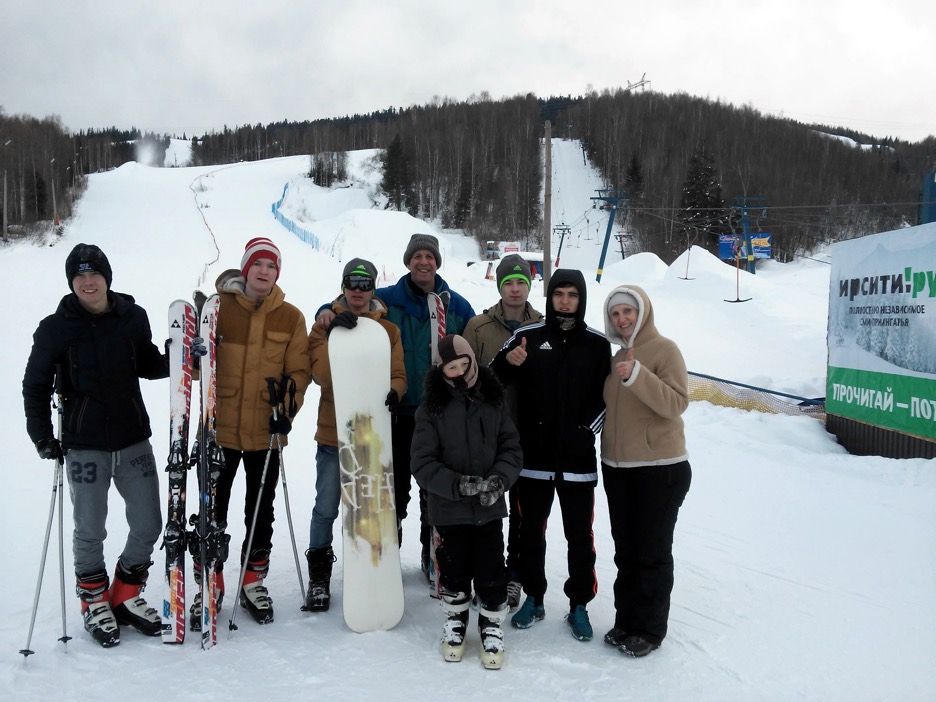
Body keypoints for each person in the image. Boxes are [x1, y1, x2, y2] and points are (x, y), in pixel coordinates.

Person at [23, 243, 168, 648]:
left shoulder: (132, 317)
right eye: (80, 276)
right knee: (90, 528)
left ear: (107, 277)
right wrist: (41, 435)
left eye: (95, 274)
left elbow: (148, 363)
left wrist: (181, 356)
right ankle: (93, 600)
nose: (88, 282)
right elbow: (34, 385)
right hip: (84, 443)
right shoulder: (55, 328)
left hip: (133, 438)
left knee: (148, 523)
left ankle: (123, 594)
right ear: (72, 282)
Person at [316, 233, 475, 578]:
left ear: (437, 263)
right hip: (396, 414)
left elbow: (472, 345)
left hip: (438, 412)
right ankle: (389, 553)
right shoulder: (388, 298)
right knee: (395, 488)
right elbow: (352, 301)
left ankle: (432, 553)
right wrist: (326, 311)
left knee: (434, 488)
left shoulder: (456, 305)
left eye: (429, 256)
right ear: (408, 262)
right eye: (417, 256)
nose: (423, 262)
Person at [192, 237, 311, 628]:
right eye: (257, 265)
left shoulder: (290, 317)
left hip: (266, 430)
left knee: (260, 512)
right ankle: (210, 580)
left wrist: (286, 412)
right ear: (245, 269)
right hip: (219, 428)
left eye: (271, 266)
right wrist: (188, 350)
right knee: (214, 509)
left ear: (278, 273)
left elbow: (299, 372)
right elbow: (196, 371)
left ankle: (252, 580)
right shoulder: (218, 309)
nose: (264, 272)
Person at [490, 268, 610, 642]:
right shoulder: (526, 337)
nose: (565, 301)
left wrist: (584, 431)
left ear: (581, 299)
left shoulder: (597, 344)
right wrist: (508, 365)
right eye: (559, 294)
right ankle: (534, 597)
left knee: (580, 535)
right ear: (549, 297)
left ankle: (579, 605)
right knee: (530, 535)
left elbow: (606, 398)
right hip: (534, 458)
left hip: (577, 461)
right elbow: (492, 381)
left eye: (572, 295)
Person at [411, 335, 522, 668]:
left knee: (491, 571)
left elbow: (511, 449)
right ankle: (455, 622)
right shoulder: (430, 408)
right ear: (441, 370)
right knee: (454, 569)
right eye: (451, 368)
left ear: (473, 361)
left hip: (489, 510)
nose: (459, 373)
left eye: (463, 365)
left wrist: (499, 481)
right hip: (450, 509)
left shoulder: (493, 401)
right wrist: (458, 485)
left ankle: (490, 625)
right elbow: (422, 462)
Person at [305, 258, 407, 612]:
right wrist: (335, 333)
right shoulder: (322, 327)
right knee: (326, 506)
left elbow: (399, 374)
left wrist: (395, 390)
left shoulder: (388, 331)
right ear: (344, 285)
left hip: (372, 435)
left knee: (370, 505)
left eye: (365, 284)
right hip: (334, 435)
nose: (358, 291)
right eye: (353, 283)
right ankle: (319, 575)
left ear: (373, 289)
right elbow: (320, 374)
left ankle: (372, 569)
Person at [600, 285, 691, 658]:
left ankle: (650, 630)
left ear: (643, 313)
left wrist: (637, 374)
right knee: (626, 552)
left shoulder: (664, 350)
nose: (622, 319)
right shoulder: (617, 355)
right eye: (616, 314)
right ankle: (627, 621)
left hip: (659, 469)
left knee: (651, 552)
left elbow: (676, 403)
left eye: (628, 312)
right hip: (618, 469)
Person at [462, 254, 543, 609]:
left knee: (524, 512)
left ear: (529, 285)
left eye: (521, 282)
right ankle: (484, 572)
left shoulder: (543, 325)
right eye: (508, 282)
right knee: (487, 505)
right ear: (498, 285)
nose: (515, 288)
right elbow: (464, 380)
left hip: (529, 430)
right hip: (486, 433)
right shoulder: (478, 327)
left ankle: (514, 575)